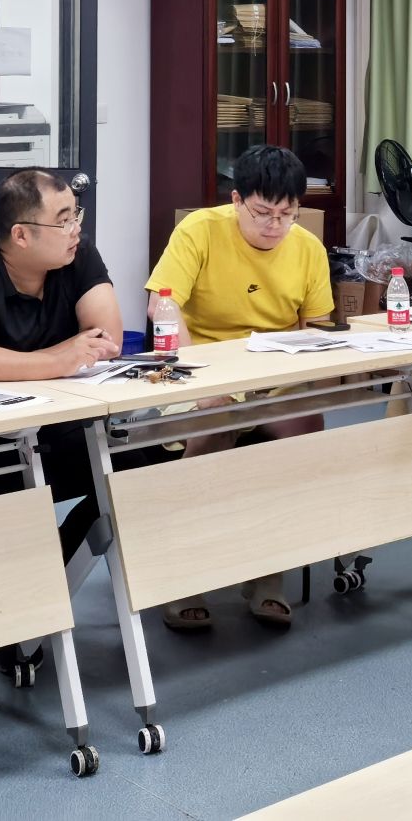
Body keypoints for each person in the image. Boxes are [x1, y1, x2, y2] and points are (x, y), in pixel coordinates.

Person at [145, 145, 335, 631]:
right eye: (263, 213)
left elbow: (317, 328)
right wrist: (202, 378)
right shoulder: (200, 230)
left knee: (303, 431)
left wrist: (311, 375)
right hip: (200, 370)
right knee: (214, 421)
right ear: (236, 200)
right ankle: (184, 575)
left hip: (271, 376)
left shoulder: (307, 248)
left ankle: (266, 572)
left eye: (287, 214)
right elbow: (163, 306)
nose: (275, 225)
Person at [0, 167, 122, 563]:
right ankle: (33, 575)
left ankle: (58, 571)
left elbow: (107, 338)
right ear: (21, 235)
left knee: (133, 470)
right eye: (63, 221)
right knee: (21, 495)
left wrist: (50, 360)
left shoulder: (77, 254)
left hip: (50, 424)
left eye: (76, 215)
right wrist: (57, 359)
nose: (75, 229)